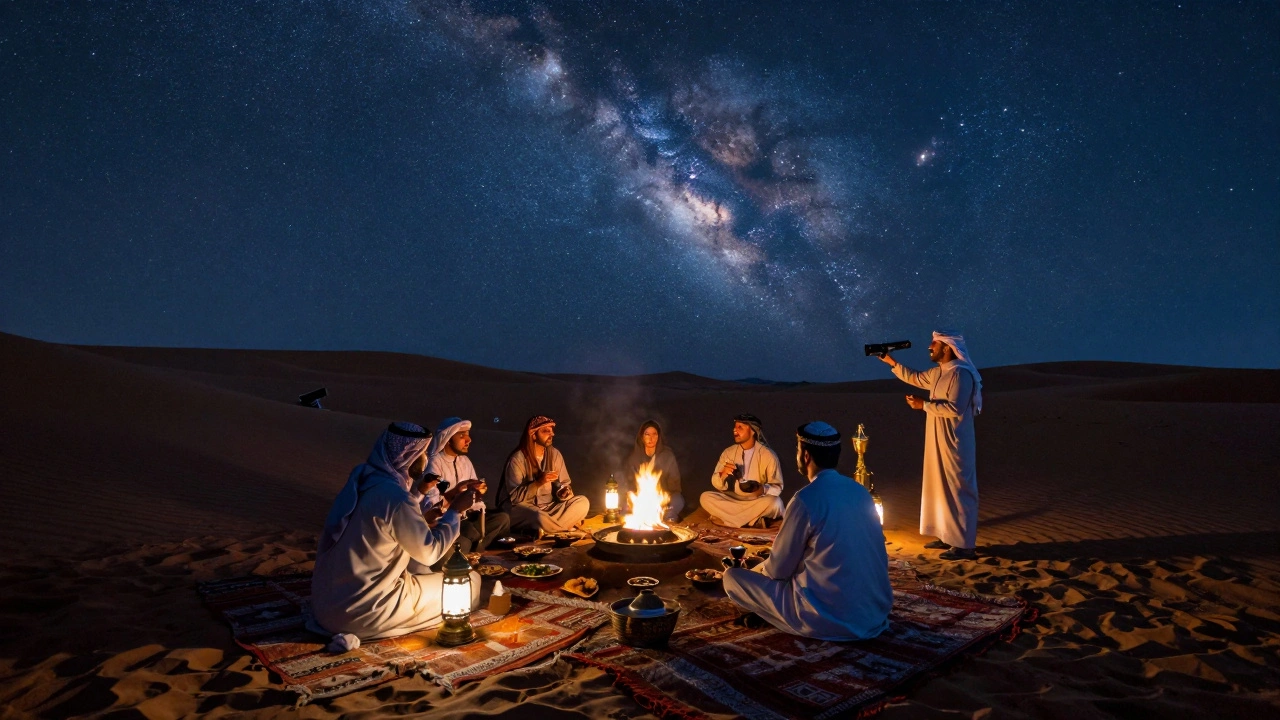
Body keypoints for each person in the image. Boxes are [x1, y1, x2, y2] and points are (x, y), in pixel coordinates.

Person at [310, 422, 481, 642]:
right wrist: (456, 510)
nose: (425, 460)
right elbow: (430, 552)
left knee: (421, 570)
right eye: (421, 454)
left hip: (326, 606)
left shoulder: (366, 479)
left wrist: (422, 516)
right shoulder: (396, 497)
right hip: (365, 610)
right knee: (471, 583)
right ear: (408, 456)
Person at [723, 422, 892, 640]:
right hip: (873, 614)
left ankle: (767, 613)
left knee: (732, 577)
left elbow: (778, 570)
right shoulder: (860, 491)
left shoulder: (806, 499)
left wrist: (757, 570)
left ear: (805, 456)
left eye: (797, 450)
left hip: (826, 617)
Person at [880, 329, 982, 560]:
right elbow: (915, 378)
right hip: (937, 438)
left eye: (934, 344)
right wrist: (890, 361)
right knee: (939, 486)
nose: (930, 347)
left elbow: (955, 408)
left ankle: (965, 545)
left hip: (955, 441)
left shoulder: (960, 374)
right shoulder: (939, 373)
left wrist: (923, 405)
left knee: (957, 488)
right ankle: (947, 536)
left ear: (947, 347)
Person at [424, 417, 511, 553]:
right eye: (462, 436)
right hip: (445, 521)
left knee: (502, 519)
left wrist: (478, 492)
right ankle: (474, 549)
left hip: (467, 516)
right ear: (447, 438)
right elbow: (431, 506)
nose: (468, 440)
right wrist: (456, 494)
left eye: (468, 435)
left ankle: (472, 547)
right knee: (469, 533)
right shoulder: (434, 463)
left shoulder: (465, 461)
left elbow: (474, 498)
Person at [498, 415, 590, 534]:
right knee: (538, 516)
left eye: (552, 431)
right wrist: (538, 483)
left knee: (582, 502)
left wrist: (563, 493)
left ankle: (545, 529)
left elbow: (564, 484)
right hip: (522, 509)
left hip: (548, 508)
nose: (552, 434)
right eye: (546, 431)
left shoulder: (555, 455)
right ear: (533, 435)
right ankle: (562, 528)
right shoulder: (518, 459)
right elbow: (515, 498)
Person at [699, 414, 784, 528]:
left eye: (740, 427)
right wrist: (722, 474)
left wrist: (762, 489)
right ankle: (752, 521)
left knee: (775, 503)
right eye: (735, 427)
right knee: (705, 497)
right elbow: (717, 484)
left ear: (753, 431)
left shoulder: (768, 455)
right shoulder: (728, 452)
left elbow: (777, 487)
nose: (735, 430)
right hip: (734, 499)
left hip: (757, 500)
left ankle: (727, 519)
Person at [621, 420, 684, 523]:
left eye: (654, 434)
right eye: (647, 434)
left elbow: (674, 484)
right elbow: (629, 483)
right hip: (641, 499)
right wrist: (632, 495)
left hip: (664, 498)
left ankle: (668, 518)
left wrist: (662, 496)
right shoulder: (634, 457)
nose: (651, 438)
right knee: (625, 510)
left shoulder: (667, 455)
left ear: (659, 436)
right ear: (642, 437)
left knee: (678, 500)